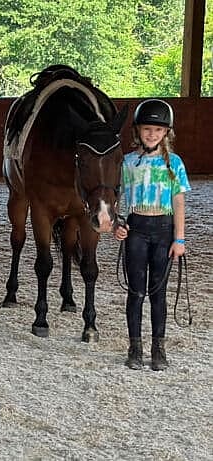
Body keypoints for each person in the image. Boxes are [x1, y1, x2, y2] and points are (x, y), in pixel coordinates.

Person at [114, 99, 189, 371]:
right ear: (138, 132)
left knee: (158, 293)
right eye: (147, 130)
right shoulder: (127, 162)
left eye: (158, 131)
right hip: (136, 229)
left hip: (164, 230)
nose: (152, 135)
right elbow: (115, 198)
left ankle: (159, 348)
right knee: (136, 292)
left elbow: (179, 201)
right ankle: (135, 348)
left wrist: (179, 239)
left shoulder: (175, 163)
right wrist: (116, 225)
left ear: (166, 133)